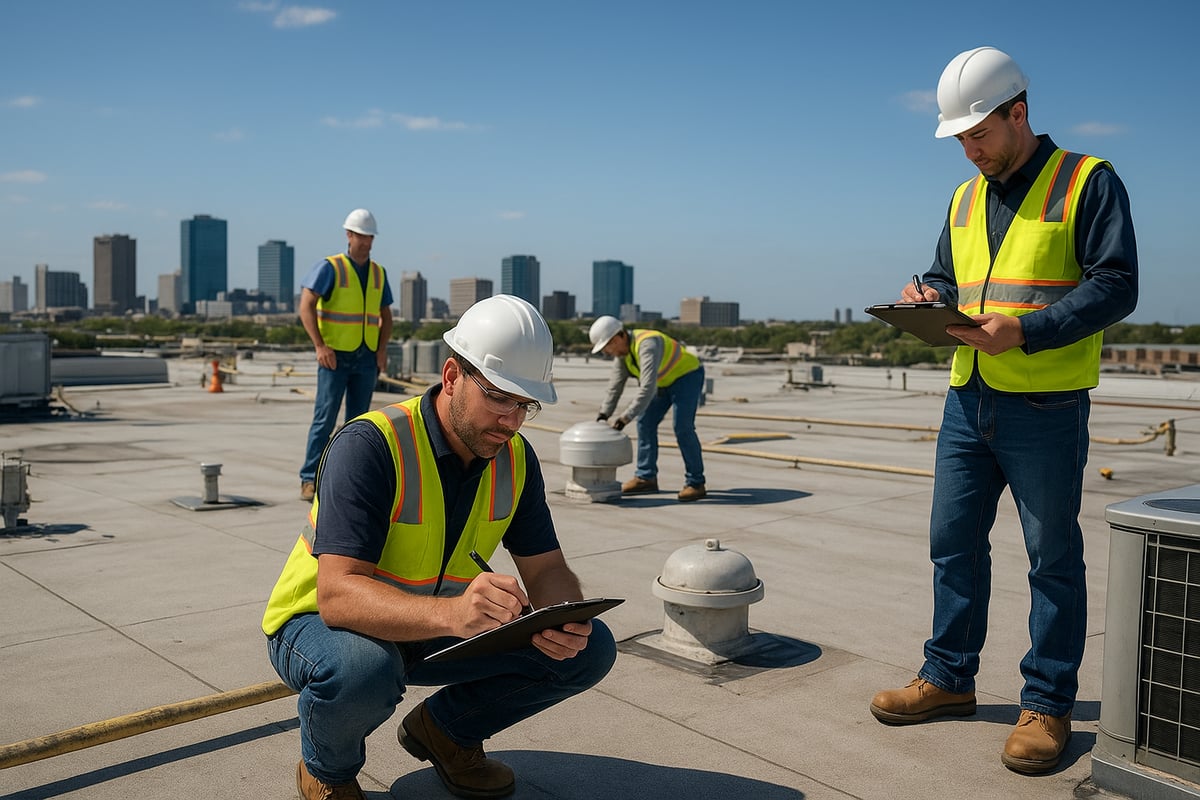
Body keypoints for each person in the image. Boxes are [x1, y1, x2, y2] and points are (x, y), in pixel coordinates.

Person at [868, 47, 1138, 775]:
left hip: (1045, 404)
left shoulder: (1087, 181)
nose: (970, 149)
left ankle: (1046, 703)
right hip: (968, 399)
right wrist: (925, 296)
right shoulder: (963, 197)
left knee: (1052, 561)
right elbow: (943, 273)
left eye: (978, 133)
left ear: (1018, 112)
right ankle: (949, 679)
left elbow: (1117, 284)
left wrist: (1027, 329)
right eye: (959, 138)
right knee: (952, 546)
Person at [264, 294, 618, 800]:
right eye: (499, 397)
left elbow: (546, 569)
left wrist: (562, 615)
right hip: (319, 624)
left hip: (431, 625)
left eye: (525, 405)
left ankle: (446, 733)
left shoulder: (514, 458)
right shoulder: (372, 446)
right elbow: (337, 595)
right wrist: (454, 615)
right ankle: (327, 770)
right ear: (451, 376)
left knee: (588, 649)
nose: (512, 421)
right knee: (364, 669)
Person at [297, 208, 394, 502]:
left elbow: (386, 316)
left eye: (370, 237)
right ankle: (309, 478)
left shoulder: (378, 273)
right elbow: (305, 306)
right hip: (335, 357)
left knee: (359, 422)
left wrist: (381, 351)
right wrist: (320, 346)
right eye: (361, 236)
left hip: (366, 357)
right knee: (324, 417)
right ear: (348, 236)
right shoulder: (330, 267)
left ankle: (351, 475)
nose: (365, 242)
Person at [588, 316, 707, 502]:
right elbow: (615, 387)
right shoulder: (623, 357)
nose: (607, 353)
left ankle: (696, 483)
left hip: (687, 376)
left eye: (607, 347)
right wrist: (603, 415)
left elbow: (648, 388)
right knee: (645, 422)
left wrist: (624, 419)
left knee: (682, 427)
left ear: (618, 337)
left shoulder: (647, 344)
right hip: (664, 383)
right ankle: (646, 477)